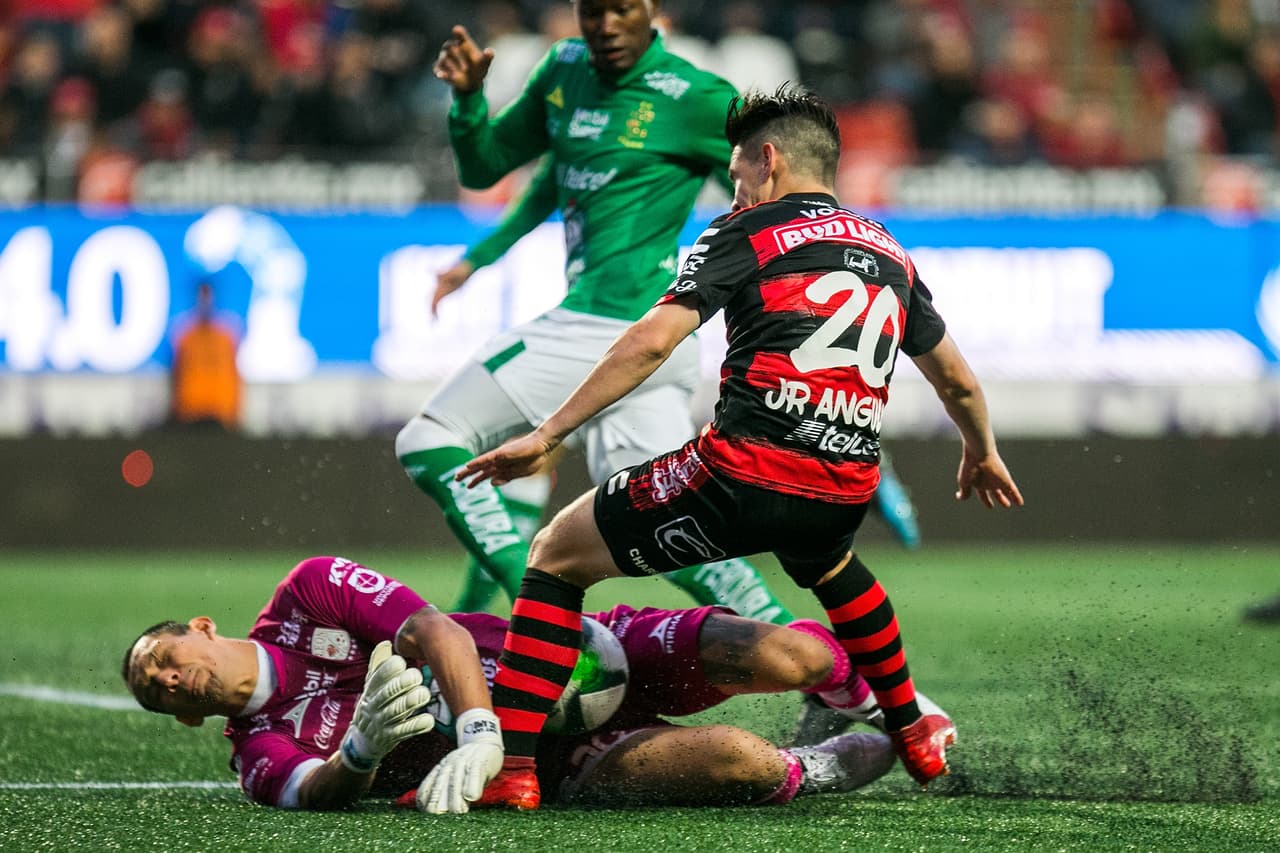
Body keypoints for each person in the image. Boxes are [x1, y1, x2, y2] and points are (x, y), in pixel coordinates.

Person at [447, 85, 1024, 810]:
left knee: (556, 555)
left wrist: (549, 431)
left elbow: (654, 338)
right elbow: (958, 382)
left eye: (738, 172)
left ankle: (514, 771)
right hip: (842, 488)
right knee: (833, 565)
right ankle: (910, 726)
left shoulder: (744, 231)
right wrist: (982, 450)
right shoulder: (889, 252)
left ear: (769, 160)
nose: (736, 186)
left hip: (740, 476)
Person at [397, 0, 797, 628]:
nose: (605, 26)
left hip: (609, 326)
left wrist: (782, 283)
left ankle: (545, 624)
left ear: (652, 10)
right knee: (669, 529)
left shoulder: (696, 95)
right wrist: (469, 99)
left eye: (621, 10)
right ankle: (827, 674)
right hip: (649, 344)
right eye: (592, 11)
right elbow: (487, 168)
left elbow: (783, 184)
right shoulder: (565, 68)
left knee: (427, 438)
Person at [122, 555, 902, 812]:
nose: (165, 678)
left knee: (785, 655)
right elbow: (314, 790)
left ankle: (854, 694)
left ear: (201, 626)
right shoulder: (260, 753)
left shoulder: (309, 590)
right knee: (743, 759)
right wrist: (359, 750)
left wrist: (482, 734)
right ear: (182, 718)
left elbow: (438, 631)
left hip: (572, 654)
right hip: (565, 758)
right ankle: (815, 764)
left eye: (159, 657)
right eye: (154, 691)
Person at [169, 281, 242, 429]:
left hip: (220, 409)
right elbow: (176, 373)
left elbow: (234, 374)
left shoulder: (226, 335)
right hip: (191, 409)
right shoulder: (185, 334)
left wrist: (234, 410)